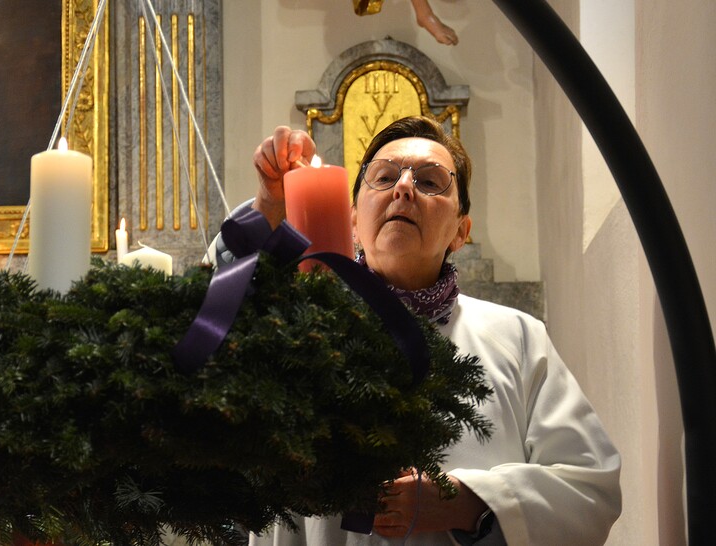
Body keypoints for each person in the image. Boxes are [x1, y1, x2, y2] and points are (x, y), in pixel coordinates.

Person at [212, 116, 621, 545]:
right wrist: (269, 206)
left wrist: (467, 502)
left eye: (430, 181)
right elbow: (202, 342)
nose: (404, 188)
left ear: (460, 232)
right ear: (353, 220)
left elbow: (590, 490)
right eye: (384, 177)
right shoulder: (300, 327)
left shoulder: (518, 338)